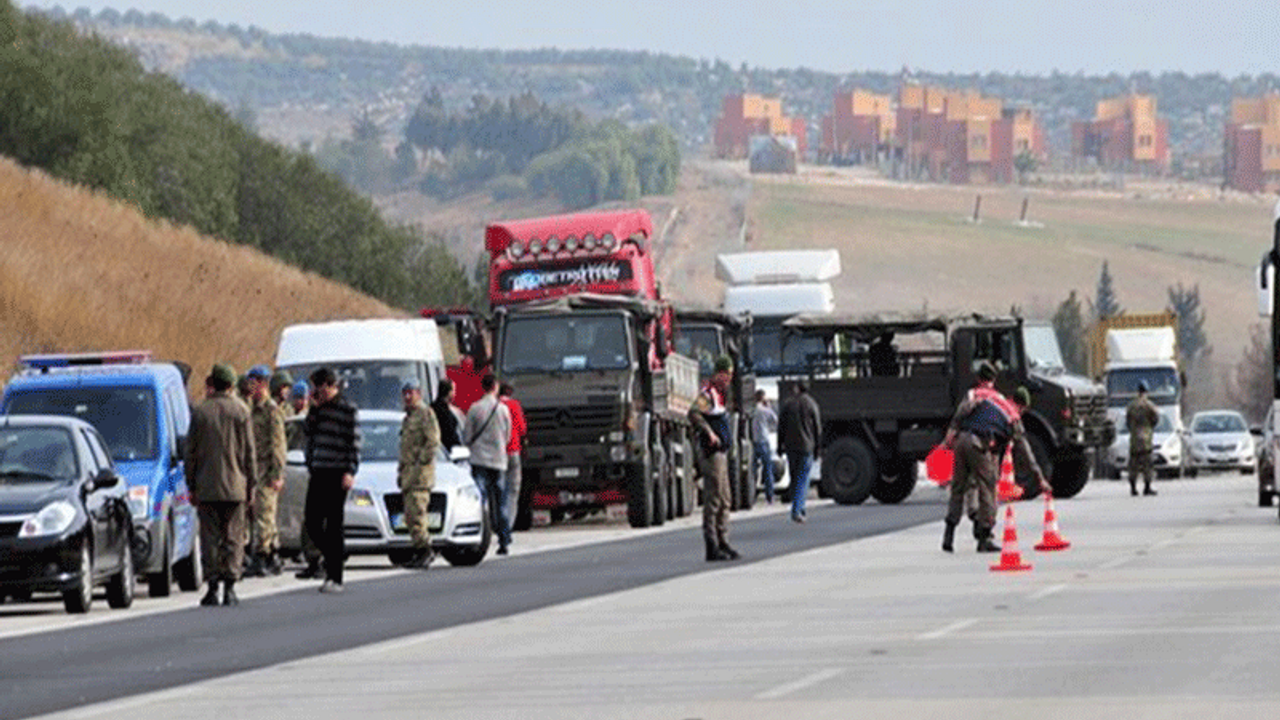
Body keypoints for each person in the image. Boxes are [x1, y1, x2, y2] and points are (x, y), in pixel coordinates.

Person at [940, 384, 1048, 553]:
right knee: (988, 489)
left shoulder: (992, 397)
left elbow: (965, 409)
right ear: (1022, 406)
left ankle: (948, 536)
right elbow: (1025, 452)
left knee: (958, 488)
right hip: (978, 445)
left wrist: (950, 436)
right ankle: (984, 538)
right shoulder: (1013, 416)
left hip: (961, 441)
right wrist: (1040, 479)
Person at [186, 363, 257, 607]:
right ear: (231, 385)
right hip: (236, 486)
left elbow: (191, 453)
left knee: (210, 538)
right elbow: (249, 452)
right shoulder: (241, 412)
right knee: (234, 538)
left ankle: (212, 586)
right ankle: (230, 587)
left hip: (207, 487)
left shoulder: (201, 412)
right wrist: (252, 485)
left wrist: (191, 485)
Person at [303, 367, 360, 593]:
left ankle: (335, 577)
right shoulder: (318, 409)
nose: (317, 392)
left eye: (319, 388)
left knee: (334, 523)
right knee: (312, 522)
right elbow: (307, 431)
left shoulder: (348, 409)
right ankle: (335, 554)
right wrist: (313, 410)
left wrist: (350, 471)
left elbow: (354, 443)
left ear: (329, 385)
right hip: (318, 470)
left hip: (338, 472)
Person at [689, 355, 739, 561]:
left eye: (730, 375)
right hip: (712, 453)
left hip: (723, 453)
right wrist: (709, 432)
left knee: (726, 498)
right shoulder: (708, 393)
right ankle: (712, 544)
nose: (728, 378)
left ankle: (723, 540)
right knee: (714, 498)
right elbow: (693, 413)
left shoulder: (722, 394)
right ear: (718, 373)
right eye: (726, 374)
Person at [244, 365, 287, 578]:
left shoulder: (271, 411)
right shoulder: (252, 409)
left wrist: (277, 474)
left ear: (262, 384)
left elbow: (278, 445)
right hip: (255, 469)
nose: (250, 387)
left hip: (266, 469)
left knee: (264, 514)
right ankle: (273, 555)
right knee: (264, 514)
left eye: (253, 383)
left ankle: (261, 556)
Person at [465, 374, 512, 555]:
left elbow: (467, 436)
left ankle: (479, 535)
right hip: (499, 460)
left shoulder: (475, 409)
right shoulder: (503, 410)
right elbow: (507, 436)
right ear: (495, 387)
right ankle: (504, 539)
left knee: (480, 501)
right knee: (501, 501)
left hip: (479, 460)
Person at [397, 378, 440, 569]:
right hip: (408, 475)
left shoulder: (425, 414)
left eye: (411, 393)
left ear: (418, 393)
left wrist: (420, 462)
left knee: (417, 514)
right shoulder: (408, 417)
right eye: (405, 393)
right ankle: (419, 549)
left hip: (420, 476)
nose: (407, 397)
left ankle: (425, 549)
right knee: (410, 515)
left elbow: (433, 442)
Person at [778, 380, 821, 523]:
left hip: (791, 446)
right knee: (803, 479)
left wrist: (780, 445)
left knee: (795, 477)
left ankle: (799, 507)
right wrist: (818, 448)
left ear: (797, 388)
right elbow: (817, 428)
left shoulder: (788, 404)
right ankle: (797, 510)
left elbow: (781, 427)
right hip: (806, 446)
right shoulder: (811, 404)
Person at [499, 382, 527, 534]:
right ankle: (508, 525)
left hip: (497, 453)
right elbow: (522, 429)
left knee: (500, 489)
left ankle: (498, 520)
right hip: (513, 450)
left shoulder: (494, 406)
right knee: (513, 491)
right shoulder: (514, 405)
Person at [1126, 380, 1160, 497]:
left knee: (1133, 465)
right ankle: (1147, 487)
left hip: (1134, 439)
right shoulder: (1150, 405)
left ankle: (1133, 488)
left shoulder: (1131, 406)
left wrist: (1133, 429)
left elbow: (1128, 422)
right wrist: (1149, 427)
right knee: (1147, 465)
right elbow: (1155, 419)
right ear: (1146, 391)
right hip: (1146, 439)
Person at [751, 389, 779, 504]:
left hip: (754, 441)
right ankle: (770, 496)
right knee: (767, 469)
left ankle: (752, 494)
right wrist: (769, 406)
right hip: (764, 441)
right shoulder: (765, 410)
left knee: (753, 470)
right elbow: (775, 420)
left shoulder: (752, 410)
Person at [432, 378, 465, 452]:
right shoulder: (446, 413)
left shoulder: (431, 408)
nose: (455, 394)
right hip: (447, 453)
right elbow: (451, 436)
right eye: (453, 391)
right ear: (449, 392)